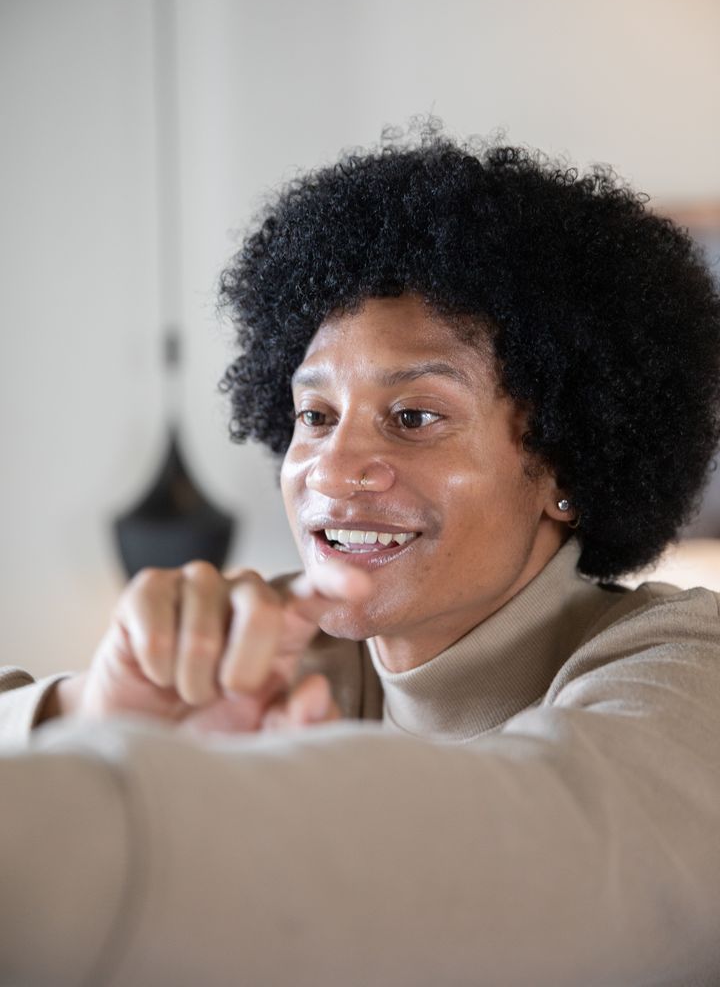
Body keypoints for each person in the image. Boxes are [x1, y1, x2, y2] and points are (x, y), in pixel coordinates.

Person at [2, 124, 720, 986]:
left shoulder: (684, 671)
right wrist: (89, 717)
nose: (332, 469)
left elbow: (557, 870)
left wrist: (166, 809)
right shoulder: (268, 646)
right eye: (314, 416)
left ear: (563, 470)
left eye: (415, 416)